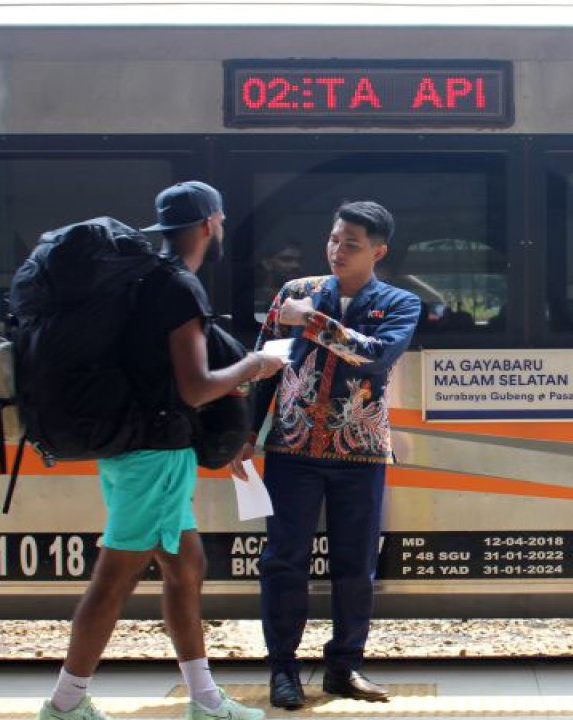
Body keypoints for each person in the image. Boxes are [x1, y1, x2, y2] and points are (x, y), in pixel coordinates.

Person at [37, 181, 287, 720]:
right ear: (209, 224)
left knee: (185, 564)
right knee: (114, 578)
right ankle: (64, 704)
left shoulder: (145, 279)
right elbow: (195, 387)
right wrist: (254, 366)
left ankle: (204, 699)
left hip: (140, 446)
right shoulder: (177, 287)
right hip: (153, 450)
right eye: (219, 221)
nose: (220, 229)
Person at [233, 201, 420, 708]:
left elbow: (374, 356)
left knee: (355, 565)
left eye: (352, 244)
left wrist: (312, 322)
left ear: (378, 252)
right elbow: (263, 365)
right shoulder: (292, 294)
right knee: (283, 561)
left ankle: (344, 667)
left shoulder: (400, 304)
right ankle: (283, 670)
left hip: (360, 452)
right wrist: (246, 434)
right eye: (335, 239)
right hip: (291, 448)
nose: (338, 250)